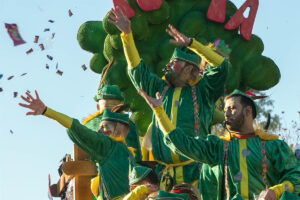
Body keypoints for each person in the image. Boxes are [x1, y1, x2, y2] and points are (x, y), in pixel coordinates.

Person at [108, 7, 228, 188]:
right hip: (162, 178)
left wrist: (191, 44)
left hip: (196, 176)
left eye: (174, 63)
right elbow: (136, 69)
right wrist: (127, 35)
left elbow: (221, 67)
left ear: (189, 69)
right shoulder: (159, 88)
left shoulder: (204, 91)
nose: (168, 66)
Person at [138, 89, 300, 200]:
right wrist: (160, 113)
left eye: (232, 108)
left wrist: (275, 191)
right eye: (225, 109)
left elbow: (295, 177)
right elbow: (183, 144)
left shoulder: (274, 146)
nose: (226, 113)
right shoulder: (216, 147)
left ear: (248, 112)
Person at [19, 91, 136, 200]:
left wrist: (46, 111)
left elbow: (76, 128)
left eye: (104, 127)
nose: (99, 130)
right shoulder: (128, 154)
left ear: (117, 130)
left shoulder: (106, 146)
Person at [83, 84, 142, 162]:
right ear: (120, 106)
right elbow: (137, 158)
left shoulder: (86, 126)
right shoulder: (130, 125)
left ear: (98, 107)